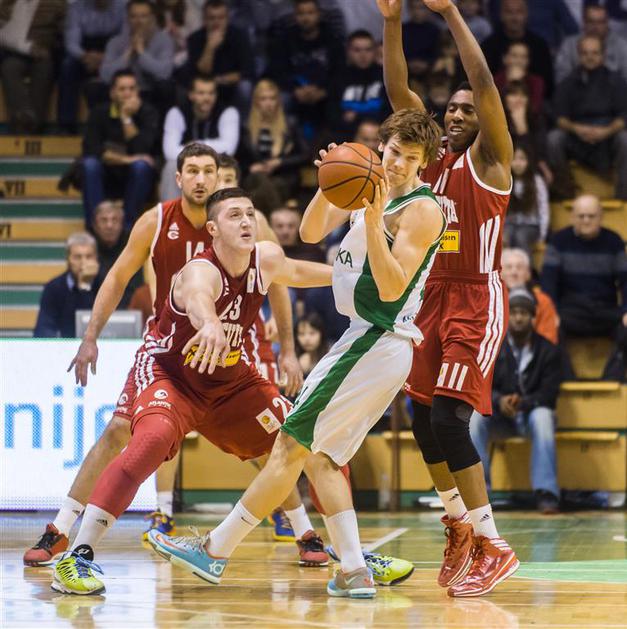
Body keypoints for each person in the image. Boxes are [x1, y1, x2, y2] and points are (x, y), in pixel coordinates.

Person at [148, 107, 445, 599]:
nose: (397, 164)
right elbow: (309, 233)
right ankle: (354, 570)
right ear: (382, 145)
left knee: (289, 445)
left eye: (410, 159)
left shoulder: (421, 210)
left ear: (424, 163)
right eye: (393, 152)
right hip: (365, 338)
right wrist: (329, 183)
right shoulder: (369, 182)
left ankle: (215, 549)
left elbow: (393, 288)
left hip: (378, 337)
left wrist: (373, 220)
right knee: (320, 458)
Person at [23, 144, 300, 567]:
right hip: (168, 350)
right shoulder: (155, 221)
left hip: (226, 351)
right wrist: (91, 336)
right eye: (193, 171)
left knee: (274, 436)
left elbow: (278, 279)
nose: (202, 180)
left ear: (220, 176)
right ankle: (61, 530)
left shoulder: (244, 223)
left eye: (209, 171)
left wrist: (289, 349)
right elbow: (118, 277)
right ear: (179, 178)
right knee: (122, 430)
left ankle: (302, 528)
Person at [49, 188, 335, 595]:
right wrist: (210, 323)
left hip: (229, 381)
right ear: (213, 229)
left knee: (309, 437)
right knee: (149, 442)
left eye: (250, 213)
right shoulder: (201, 269)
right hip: (171, 375)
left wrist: (358, 275)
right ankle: (77, 555)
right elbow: (199, 297)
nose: (246, 221)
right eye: (235, 215)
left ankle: (352, 554)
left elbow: (301, 273)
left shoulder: (265, 257)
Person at [380, 0, 519, 597]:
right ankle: (458, 524)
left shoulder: (491, 160)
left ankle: (493, 543)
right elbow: (399, 93)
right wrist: (391, 21)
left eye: (467, 109)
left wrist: (449, 12)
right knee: (421, 421)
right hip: (428, 297)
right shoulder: (431, 163)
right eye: (451, 108)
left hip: (475, 298)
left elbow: (483, 81)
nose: (459, 113)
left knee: (449, 419)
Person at [469, 287, 562, 515]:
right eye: (514, 312)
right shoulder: (493, 347)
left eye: (524, 313)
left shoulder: (548, 350)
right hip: (498, 416)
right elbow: (480, 384)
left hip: (530, 415)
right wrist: (499, 400)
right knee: (474, 417)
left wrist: (523, 403)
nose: (519, 318)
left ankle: (546, 493)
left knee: (543, 417)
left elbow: (549, 394)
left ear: (533, 316)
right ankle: (478, 493)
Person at [548, 35, 627, 200]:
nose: (590, 57)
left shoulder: (616, 81)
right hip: (576, 137)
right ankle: (565, 192)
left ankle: (623, 196)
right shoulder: (568, 83)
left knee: (624, 139)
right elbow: (559, 117)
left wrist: (606, 131)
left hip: (608, 137)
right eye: (585, 53)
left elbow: (623, 116)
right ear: (579, 55)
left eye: (594, 53)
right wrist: (577, 129)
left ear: (603, 55)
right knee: (554, 139)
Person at [541, 194, 627, 339]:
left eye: (591, 216)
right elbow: (548, 282)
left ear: (601, 217)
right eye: (581, 216)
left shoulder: (614, 241)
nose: (586, 220)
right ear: (572, 217)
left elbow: (626, 281)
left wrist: (626, 311)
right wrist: (551, 312)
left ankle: (615, 357)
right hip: (569, 311)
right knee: (549, 330)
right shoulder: (558, 241)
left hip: (605, 310)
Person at [81, 69, 160, 229]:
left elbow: (142, 149)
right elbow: (92, 150)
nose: (127, 93)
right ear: (112, 93)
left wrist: (126, 117)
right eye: (122, 89)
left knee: (142, 166)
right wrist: (127, 159)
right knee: (89, 165)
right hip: (105, 175)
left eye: (132, 88)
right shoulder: (99, 113)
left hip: (135, 178)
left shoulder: (148, 112)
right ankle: (96, 226)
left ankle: (127, 227)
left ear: (138, 92)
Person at [266, 0, 345, 138]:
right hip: (294, 92)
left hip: (325, 92)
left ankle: (335, 143)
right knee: (279, 99)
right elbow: (278, 72)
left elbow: (340, 72)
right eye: (301, 13)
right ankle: (283, 143)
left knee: (339, 99)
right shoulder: (284, 40)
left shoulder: (332, 38)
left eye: (310, 13)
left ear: (319, 14)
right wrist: (295, 90)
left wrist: (323, 91)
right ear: (294, 16)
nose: (306, 18)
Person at [160, 75, 240, 200]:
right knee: (171, 166)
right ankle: (170, 212)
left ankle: (223, 209)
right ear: (191, 95)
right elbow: (169, 152)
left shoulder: (227, 112)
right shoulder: (177, 112)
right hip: (188, 164)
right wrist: (199, 155)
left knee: (226, 166)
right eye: (201, 93)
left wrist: (194, 146)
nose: (207, 98)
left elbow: (229, 148)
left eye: (211, 93)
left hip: (215, 162)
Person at [238, 79, 309, 214]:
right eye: (263, 99)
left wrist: (279, 162)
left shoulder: (290, 124)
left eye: (272, 98)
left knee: (261, 191)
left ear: (278, 101)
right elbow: (238, 157)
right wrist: (251, 168)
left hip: (283, 177)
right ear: (256, 101)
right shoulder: (246, 125)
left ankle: (266, 218)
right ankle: (278, 215)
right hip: (253, 177)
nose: (268, 103)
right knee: (259, 178)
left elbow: (305, 155)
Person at [57, 0, 126, 133]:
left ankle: (118, 124)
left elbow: (125, 40)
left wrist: (105, 58)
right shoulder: (76, 8)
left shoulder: (123, 6)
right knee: (67, 66)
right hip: (84, 53)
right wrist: (85, 57)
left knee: (123, 67)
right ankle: (66, 125)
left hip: (113, 52)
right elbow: (71, 43)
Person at [0, 0, 66, 133]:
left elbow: (66, 32)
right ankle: (24, 117)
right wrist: (28, 48)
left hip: (44, 52)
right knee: (9, 68)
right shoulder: (8, 4)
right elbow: (3, 35)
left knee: (45, 70)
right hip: (15, 53)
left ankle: (34, 126)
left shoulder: (56, 4)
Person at [100, 0, 175, 114]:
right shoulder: (115, 42)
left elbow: (164, 73)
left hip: (150, 92)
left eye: (143, 16)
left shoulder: (164, 40)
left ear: (152, 18)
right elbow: (105, 76)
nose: (138, 21)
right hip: (122, 93)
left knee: (166, 87)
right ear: (127, 19)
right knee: (95, 89)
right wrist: (128, 53)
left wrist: (141, 53)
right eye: (133, 16)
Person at [185, 0, 255, 107]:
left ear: (227, 19)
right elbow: (199, 73)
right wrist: (209, 48)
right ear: (204, 20)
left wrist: (220, 79)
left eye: (221, 17)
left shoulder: (240, 37)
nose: (216, 22)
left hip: (232, 86)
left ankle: (241, 118)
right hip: (205, 87)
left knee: (245, 86)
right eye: (212, 18)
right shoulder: (194, 39)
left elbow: (247, 71)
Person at [33, 233, 102, 339]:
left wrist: (85, 286)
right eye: (77, 257)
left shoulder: (106, 284)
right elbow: (43, 330)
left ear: (96, 259)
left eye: (89, 257)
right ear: (68, 259)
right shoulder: (54, 288)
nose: (83, 262)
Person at [481, 0, 554, 96]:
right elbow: (483, 84)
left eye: (519, 12)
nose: (514, 17)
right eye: (509, 12)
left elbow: (548, 87)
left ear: (526, 14)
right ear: (501, 15)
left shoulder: (540, 46)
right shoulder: (488, 46)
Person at [328, 29, 391, 140]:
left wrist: (356, 117)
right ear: (348, 51)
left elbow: (390, 112)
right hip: (345, 137)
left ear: (375, 51)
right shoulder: (337, 77)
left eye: (368, 50)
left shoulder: (386, 76)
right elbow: (331, 114)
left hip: (381, 136)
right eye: (357, 50)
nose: (363, 55)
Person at [556, 4, 627, 84]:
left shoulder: (622, 46)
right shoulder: (569, 45)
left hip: (613, 90)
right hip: (577, 90)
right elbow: (561, 78)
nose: (595, 27)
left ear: (607, 23)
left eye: (600, 22)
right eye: (591, 22)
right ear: (584, 23)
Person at [501, 248, 559, 345]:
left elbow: (548, 340)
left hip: (535, 352)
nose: (514, 272)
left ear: (528, 274)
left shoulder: (542, 301)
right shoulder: (489, 301)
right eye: (508, 267)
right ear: (500, 273)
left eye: (519, 267)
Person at [91, 200, 143, 308]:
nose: (109, 225)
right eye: (104, 220)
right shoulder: (86, 251)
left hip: (128, 311)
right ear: (95, 225)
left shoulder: (133, 249)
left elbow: (135, 288)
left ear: (121, 224)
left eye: (114, 220)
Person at [505, 143, 549, 255]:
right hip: (510, 224)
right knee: (506, 236)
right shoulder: (505, 180)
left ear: (529, 161)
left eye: (522, 159)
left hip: (531, 225)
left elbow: (544, 209)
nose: (518, 163)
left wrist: (542, 235)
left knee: (521, 236)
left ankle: (524, 265)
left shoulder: (537, 181)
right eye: (514, 159)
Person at [493, 42, 545, 114]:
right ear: (505, 58)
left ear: (528, 61)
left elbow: (535, 109)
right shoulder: (495, 81)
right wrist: (510, 83)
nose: (519, 61)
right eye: (514, 56)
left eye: (524, 57)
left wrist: (520, 83)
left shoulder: (536, 82)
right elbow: (494, 109)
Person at [401, 0, 440, 80]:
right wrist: (408, 63)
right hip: (405, 71)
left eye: (421, 8)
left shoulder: (435, 30)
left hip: (430, 72)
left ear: (428, 9)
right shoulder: (402, 30)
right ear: (409, 9)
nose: (418, 11)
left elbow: (438, 52)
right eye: (415, 8)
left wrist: (427, 63)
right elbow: (398, 51)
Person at [295, 312, 329, 378]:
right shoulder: (294, 359)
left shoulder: (331, 355)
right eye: (301, 334)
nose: (306, 338)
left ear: (322, 334)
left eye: (312, 333)